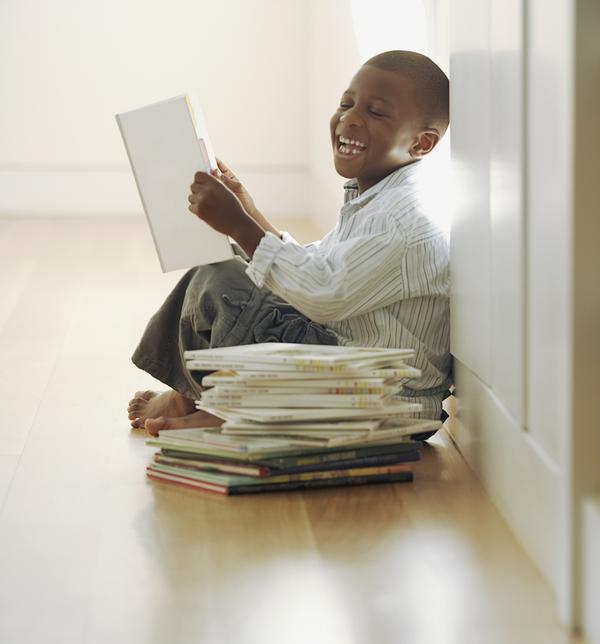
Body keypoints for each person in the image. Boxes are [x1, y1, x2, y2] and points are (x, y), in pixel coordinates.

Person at [127, 50, 451, 435]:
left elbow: (320, 293)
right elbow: (316, 265)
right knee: (233, 260)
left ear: (422, 143)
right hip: (349, 369)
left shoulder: (400, 219)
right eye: (346, 104)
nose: (349, 118)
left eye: (376, 112)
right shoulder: (381, 200)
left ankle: (218, 405)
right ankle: (198, 397)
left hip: (379, 400)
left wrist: (240, 226)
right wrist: (249, 215)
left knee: (225, 279)